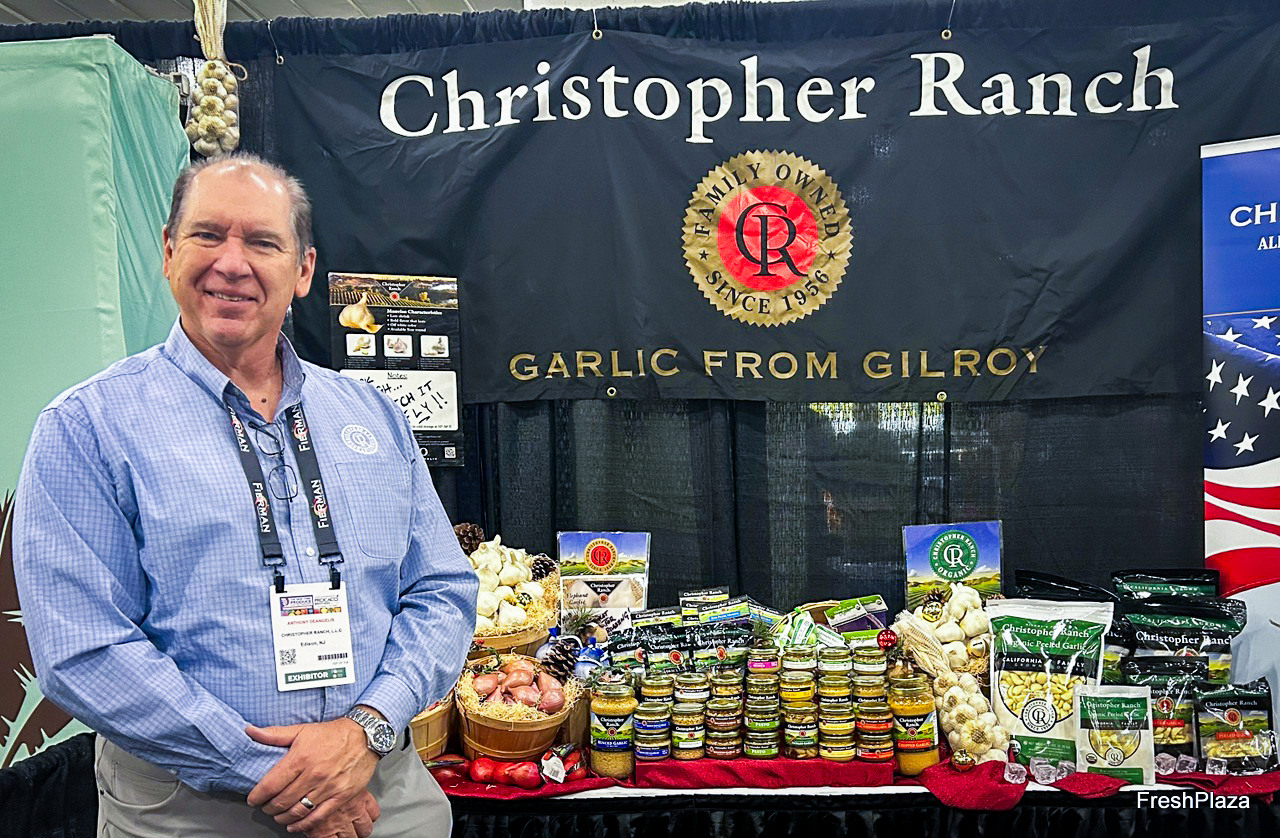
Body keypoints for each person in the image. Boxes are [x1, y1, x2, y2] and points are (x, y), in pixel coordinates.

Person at [13, 154, 478, 837]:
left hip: (380, 787)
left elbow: (442, 590)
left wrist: (367, 727)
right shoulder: (88, 427)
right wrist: (282, 776)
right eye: (208, 235)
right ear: (168, 252)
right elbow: (84, 649)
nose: (232, 264)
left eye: (262, 242)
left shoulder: (373, 416)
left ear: (303, 271)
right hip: (192, 808)